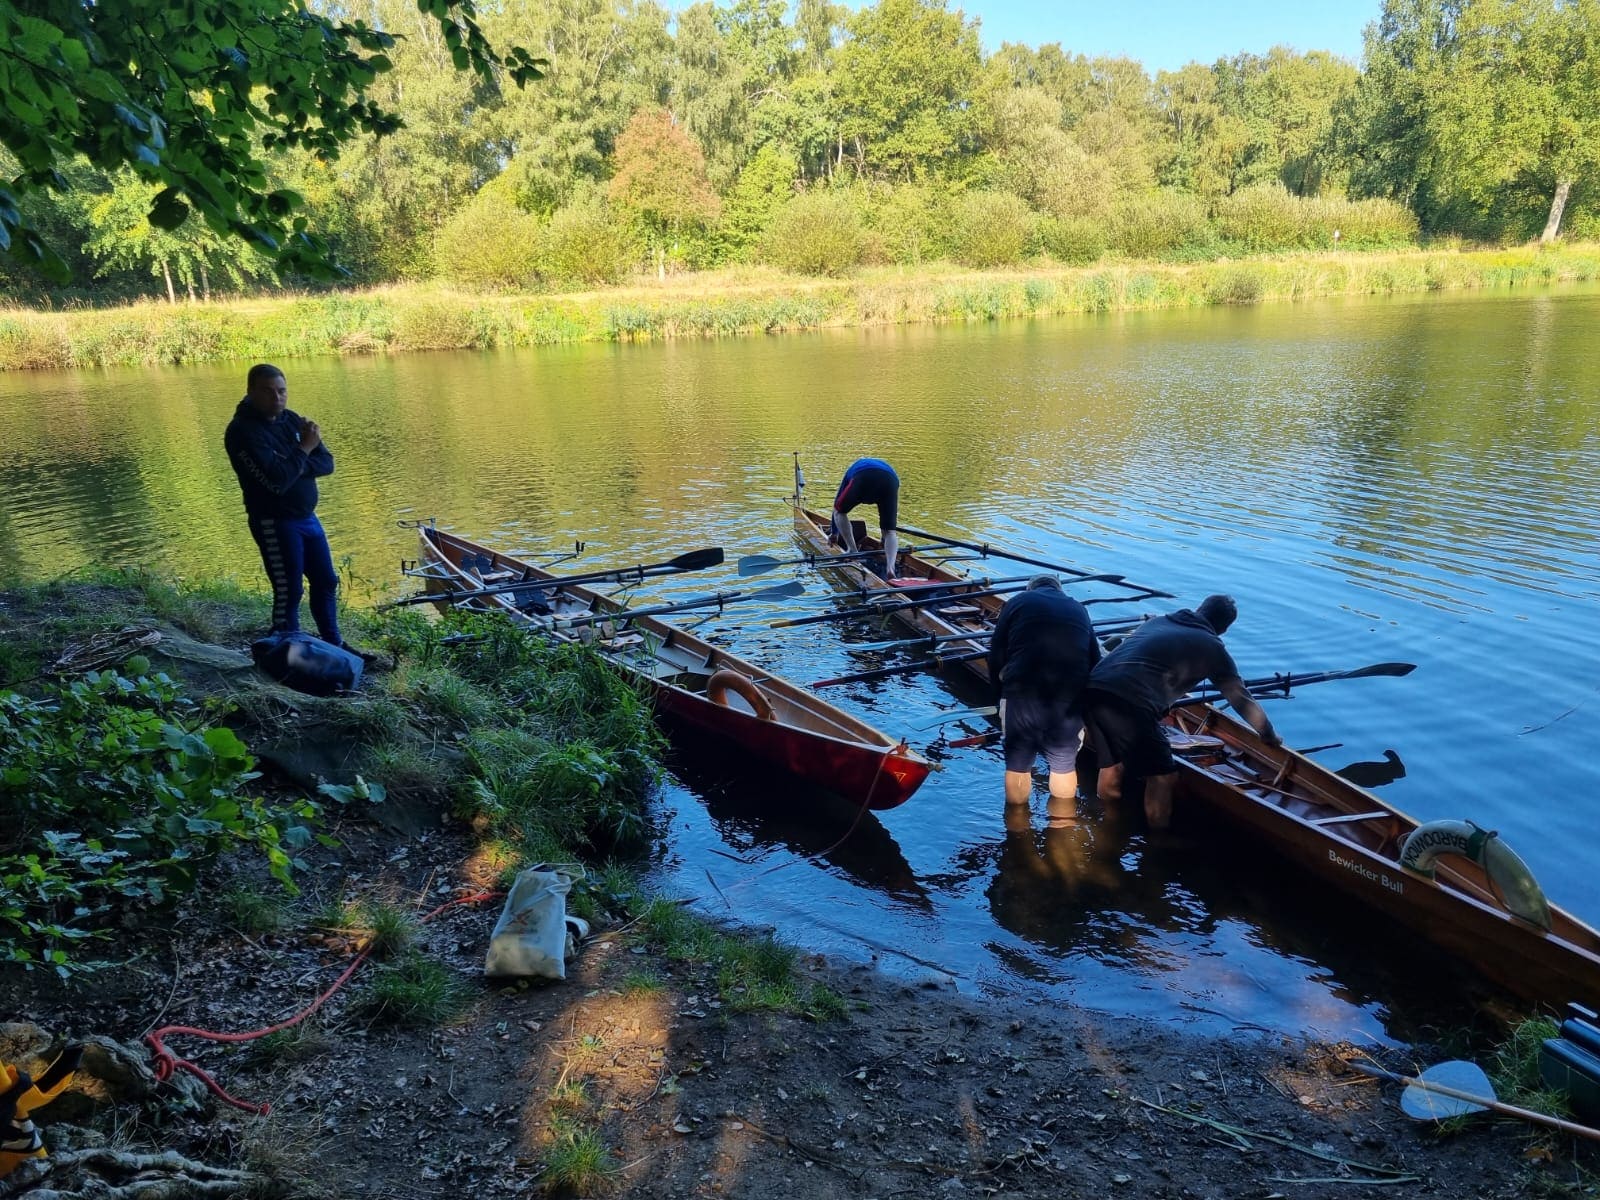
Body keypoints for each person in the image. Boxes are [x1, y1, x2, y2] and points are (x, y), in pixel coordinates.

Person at [1081, 594, 1280, 831]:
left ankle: (1109, 822)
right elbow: (1240, 698)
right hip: (1131, 703)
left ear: (1199, 609)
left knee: (1112, 765)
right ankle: (1158, 841)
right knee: (1163, 777)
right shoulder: (1212, 647)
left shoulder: (1158, 621)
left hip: (1093, 689)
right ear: (1223, 629)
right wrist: (1268, 734)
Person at [224, 363, 349, 651]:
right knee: (289, 589)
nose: (277, 398)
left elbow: (326, 464)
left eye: (282, 391)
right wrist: (303, 449)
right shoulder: (242, 432)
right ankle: (284, 650)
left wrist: (292, 462)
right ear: (251, 392)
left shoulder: (291, 420)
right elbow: (277, 482)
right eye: (268, 392)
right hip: (273, 521)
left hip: (307, 517)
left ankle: (334, 644)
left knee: (326, 581)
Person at [986, 575, 1101, 820]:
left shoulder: (1018, 601)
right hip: (1068, 701)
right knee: (1063, 765)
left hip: (1022, 694)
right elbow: (1096, 662)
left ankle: (1016, 830)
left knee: (1018, 764)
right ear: (1059, 589)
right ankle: (1062, 831)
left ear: (1031, 588)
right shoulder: (1078, 608)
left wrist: (998, 695)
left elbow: (995, 654)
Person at [830, 457, 900, 580]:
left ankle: (852, 550)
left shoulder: (851, 472)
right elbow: (887, 525)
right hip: (891, 481)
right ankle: (890, 568)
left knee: (839, 512)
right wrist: (884, 539)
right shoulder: (884, 468)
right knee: (890, 531)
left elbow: (837, 505)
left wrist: (834, 533)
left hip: (863, 477)